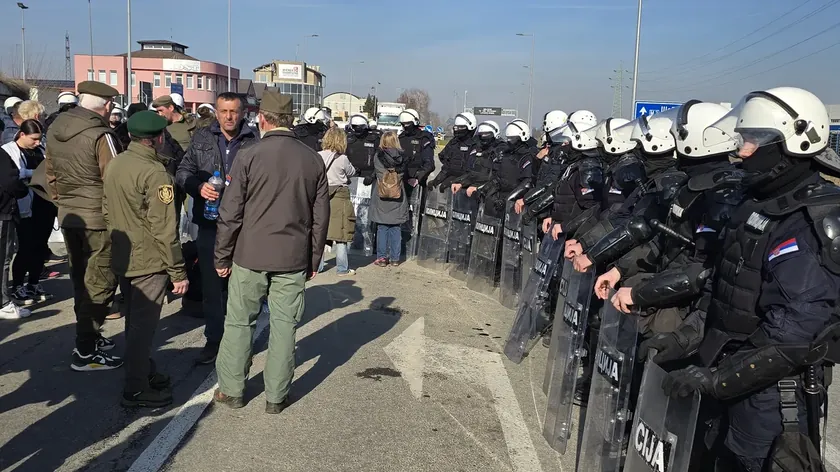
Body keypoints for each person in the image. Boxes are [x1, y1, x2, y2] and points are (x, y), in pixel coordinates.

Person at [660, 87, 840, 471]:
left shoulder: (808, 220)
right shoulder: (755, 205)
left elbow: (791, 338)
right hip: (730, 382)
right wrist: (679, 340)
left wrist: (714, 380)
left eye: (754, 140)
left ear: (794, 141)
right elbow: (723, 294)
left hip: (772, 405)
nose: (742, 151)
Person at [213, 90, 328, 413]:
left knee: (239, 323)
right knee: (284, 327)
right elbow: (320, 218)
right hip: (292, 257)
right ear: (290, 120)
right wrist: (314, 259)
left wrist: (222, 256)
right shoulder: (312, 159)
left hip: (249, 255)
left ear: (262, 119)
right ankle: (276, 397)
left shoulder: (248, 155)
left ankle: (232, 390)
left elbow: (230, 212)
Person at [103, 111, 189, 408]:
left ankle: (142, 372)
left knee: (134, 324)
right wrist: (178, 271)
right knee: (143, 327)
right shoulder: (155, 174)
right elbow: (165, 229)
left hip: (124, 254)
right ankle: (136, 387)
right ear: (159, 138)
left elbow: (106, 209)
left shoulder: (117, 164)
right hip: (148, 261)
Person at [43, 80, 122, 371]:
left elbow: (50, 174)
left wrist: (63, 204)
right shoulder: (102, 135)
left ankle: (89, 335)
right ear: (106, 105)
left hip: (69, 215)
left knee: (80, 279)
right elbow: (114, 180)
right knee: (100, 280)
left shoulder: (55, 128)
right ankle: (86, 348)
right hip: (98, 218)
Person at [176, 92, 259, 365]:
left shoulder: (254, 141)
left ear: (243, 112)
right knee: (212, 286)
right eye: (223, 111)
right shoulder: (202, 138)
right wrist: (198, 187)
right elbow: (183, 172)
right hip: (209, 223)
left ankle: (238, 342)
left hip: (242, 226)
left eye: (233, 111)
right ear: (217, 112)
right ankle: (214, 339)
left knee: (239, 287)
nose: (228, 117)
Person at [4, 120, 56, 305]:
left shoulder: (41, 150)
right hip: (23, 204)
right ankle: (18, 285)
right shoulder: (9, 150)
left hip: (44, 202)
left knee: (40, 246)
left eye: (39, 139)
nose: (36, 142)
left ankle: (34, 282)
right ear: (22, 134)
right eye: (33, 139)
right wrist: (32, 173)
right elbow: (12, 175)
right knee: (25, 246)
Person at [0, 120, 37, 320]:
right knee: (3, 258)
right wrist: (23, 188)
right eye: (34, 138)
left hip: (7, 209)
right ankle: (4, 302)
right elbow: (10, 182)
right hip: (4, 211)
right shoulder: (5, 154)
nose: (38, 143)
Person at [317, 126, 357, 276]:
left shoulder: (318, 155)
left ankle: (318, 266)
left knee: (321, 233)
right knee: (341, 234)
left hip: (322, 196)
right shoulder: (343, 158)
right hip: (340, 197)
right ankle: (342, 268)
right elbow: (351, 172)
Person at [370, 131, 408, 267]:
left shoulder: (378, 156)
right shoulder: (402, 156)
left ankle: (381, 257)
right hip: (397, 191)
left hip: (382, 191)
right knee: (396, 227)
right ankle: (395, 258)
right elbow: (403, 173)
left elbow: (378, 172)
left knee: (382, 227)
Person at [427, 112, 477, 191]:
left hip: (467, 186)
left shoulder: (476, 145)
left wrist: (453, 181)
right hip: (453, 185)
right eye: (456, 127)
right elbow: (446, 166)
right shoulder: (453, 143)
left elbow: (474, 172)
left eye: (460, 128)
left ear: (471, 127)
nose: (457, 130)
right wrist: (436, 181)